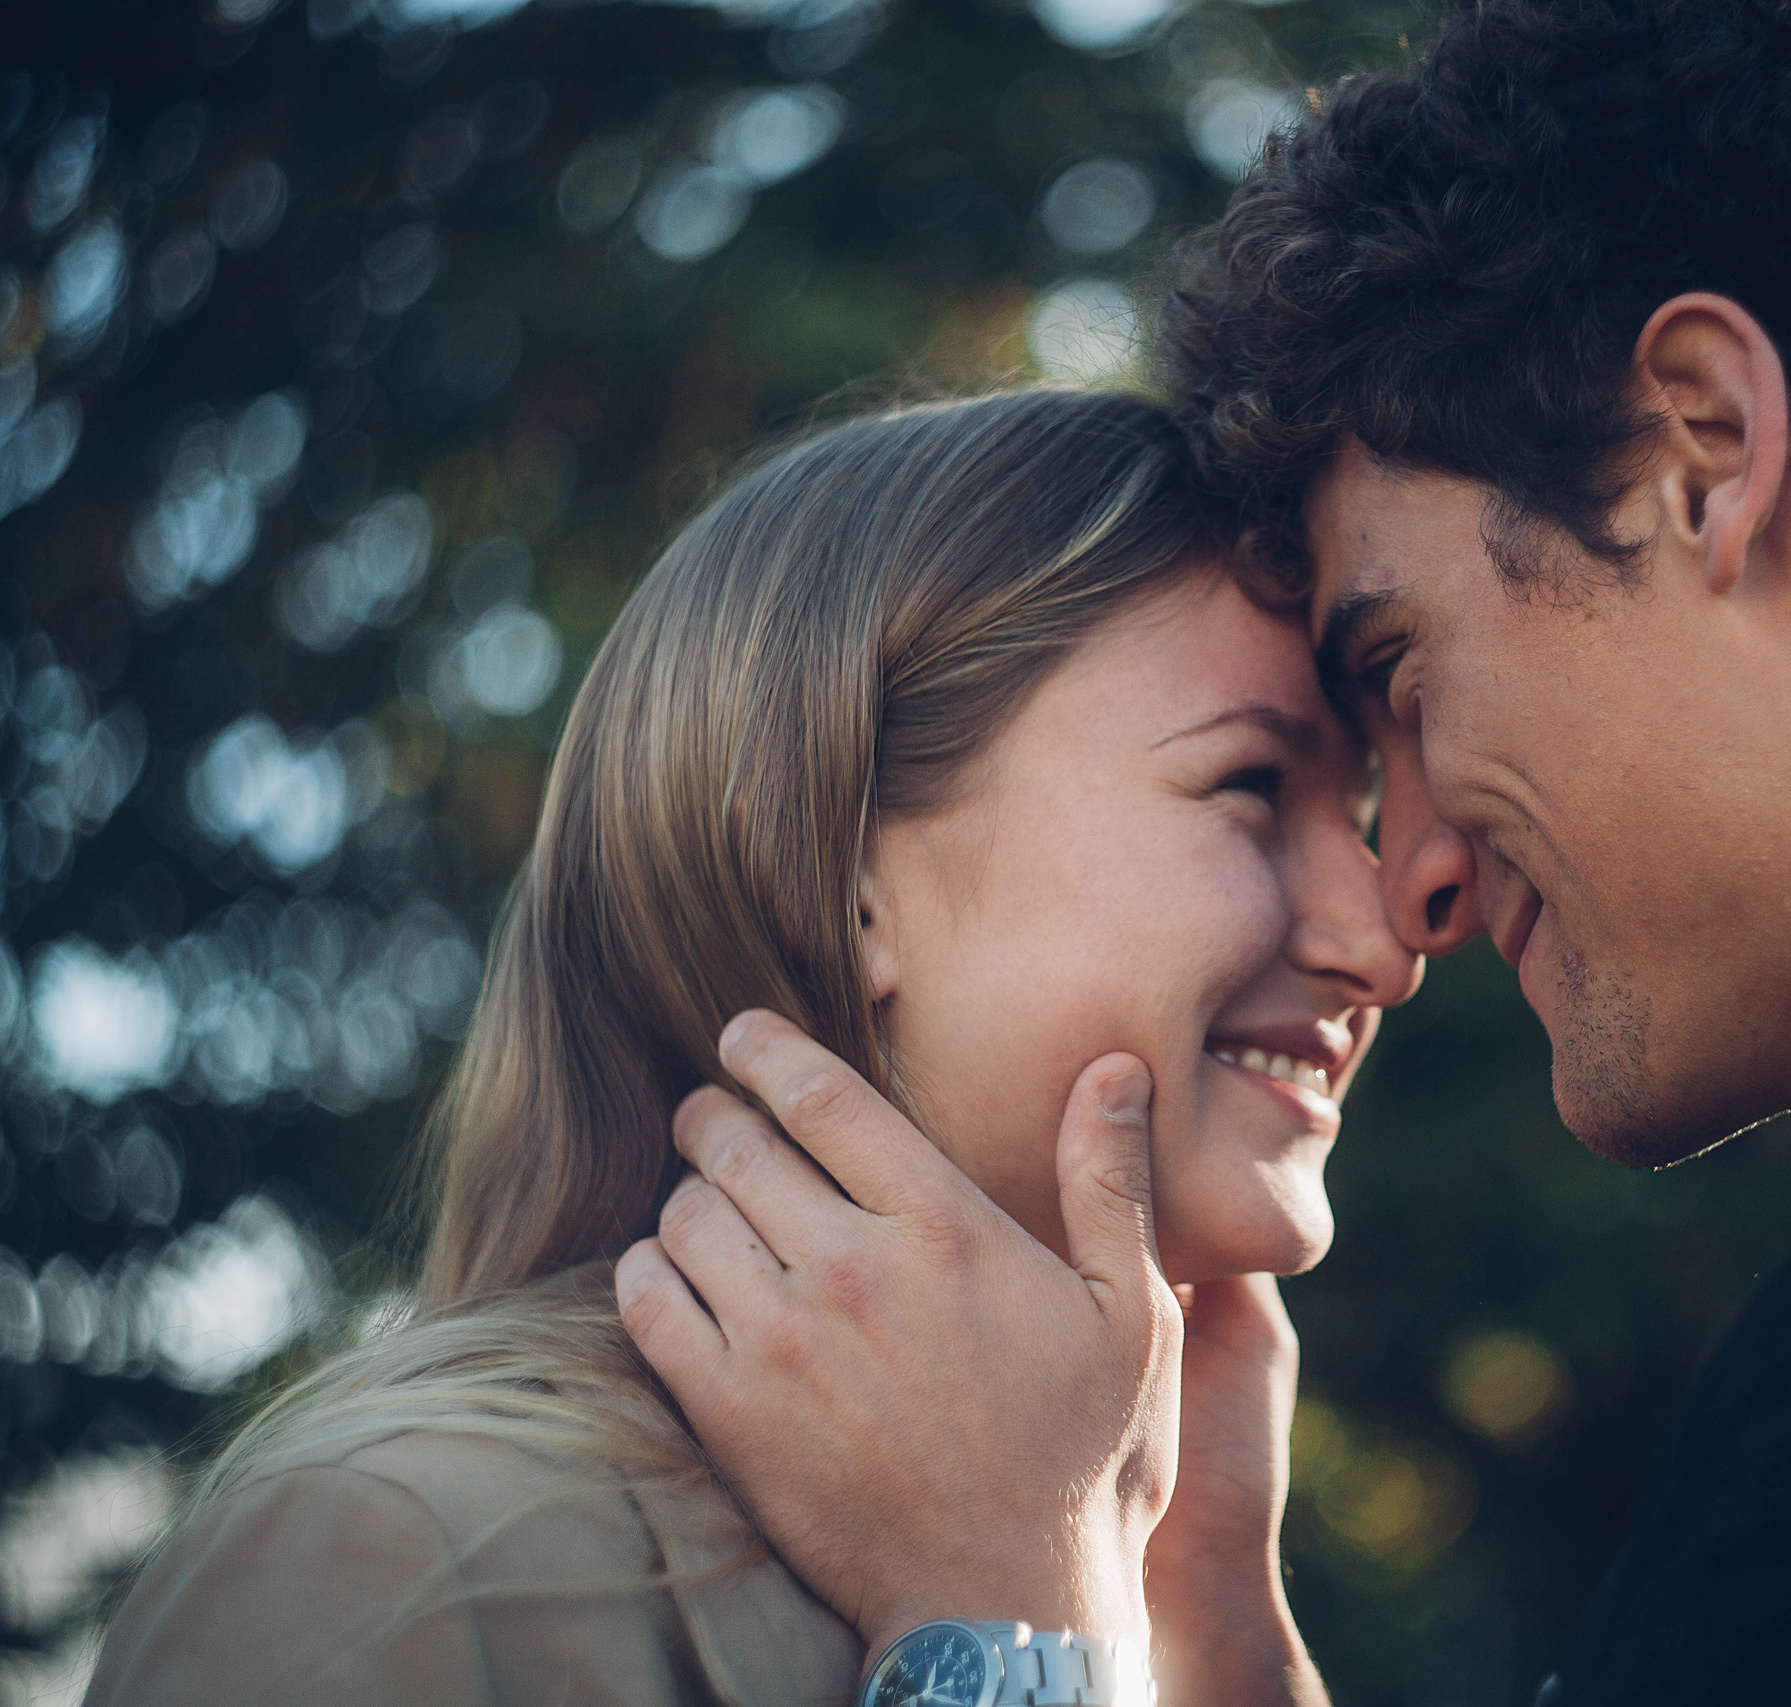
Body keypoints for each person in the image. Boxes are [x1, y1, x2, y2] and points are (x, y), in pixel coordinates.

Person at [615, 1, 1791, 1703]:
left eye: (1396, 671)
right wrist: (1219, 1639)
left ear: (1701, 448)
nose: (1412, 885)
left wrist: (992, 1627)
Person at [85, 388, 1418, 1707]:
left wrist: (1218, 1631)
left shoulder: (1175, 1581)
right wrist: (1014, 1634)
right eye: (1251, 786)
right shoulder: (399, 1559)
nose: (1386, 942)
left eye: (1358, 820)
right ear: (831, 877)